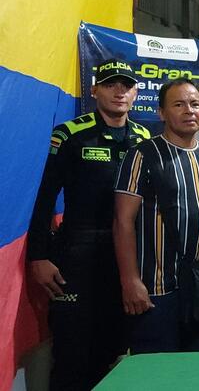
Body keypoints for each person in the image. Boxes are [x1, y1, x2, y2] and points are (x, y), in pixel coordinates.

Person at [27, 58, 149, 390]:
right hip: (76, 254)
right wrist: (38, 256)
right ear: (95, 91)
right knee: (72, 352)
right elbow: (44, 198)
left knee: (117, 350)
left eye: (126, 85)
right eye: (111, 84)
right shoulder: (69, 134)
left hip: (125, 256)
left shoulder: (143, 138)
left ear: (136, 93)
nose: (119, 92)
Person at [114, 77, 199, 353]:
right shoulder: (142, 155)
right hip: (156, 289)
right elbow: (122, 222)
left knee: (198, 370)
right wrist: (130, 281)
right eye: (179, 104)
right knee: (157, 372)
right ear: (161, 112)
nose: (189, 110)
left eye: (195, 104)